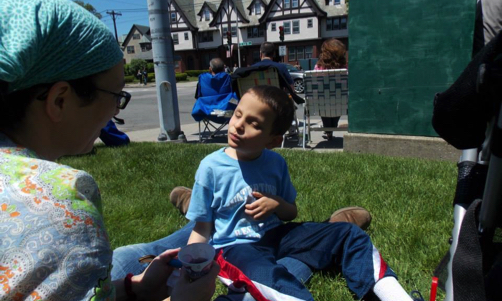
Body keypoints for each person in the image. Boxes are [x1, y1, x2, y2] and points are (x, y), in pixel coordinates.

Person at [0, 1, 219, 300]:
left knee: (132, 255)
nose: (116, 108)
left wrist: (134, 287)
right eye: (117, 95)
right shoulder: (59, 202)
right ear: (60, 100)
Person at [182, 85, 413, 301]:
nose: (239, 125)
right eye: (238, 114)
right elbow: (202, 228)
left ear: (273, 140)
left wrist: (277, 204)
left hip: (278, 235)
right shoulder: (211, 167)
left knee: (347, 233)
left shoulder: (275, 163)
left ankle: (392, 294)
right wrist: (191, 264)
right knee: (267, 275)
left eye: (254, 123)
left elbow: (291, 213)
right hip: (235, 248)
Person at [314, 38, 348, 141]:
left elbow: (316, 85)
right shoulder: (345, 68)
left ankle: (328, 130)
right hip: (340, 101)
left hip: (323, 102)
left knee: (325, 106)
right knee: (337, 104)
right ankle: (331, 128)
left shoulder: (318, 67)